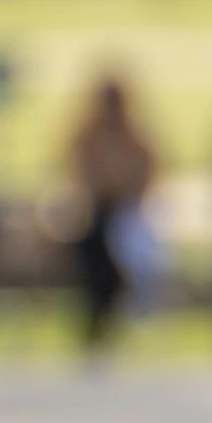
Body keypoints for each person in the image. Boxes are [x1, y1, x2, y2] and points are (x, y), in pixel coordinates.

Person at [65, 71, 157, 356]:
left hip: (125, 221)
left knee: (116, 241)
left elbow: (139, 182)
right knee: (94, 239)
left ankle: (108, 316)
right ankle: (100, 318)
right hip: (94, 222)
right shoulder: (86, 138)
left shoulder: (136, 140)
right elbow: (89, 184)